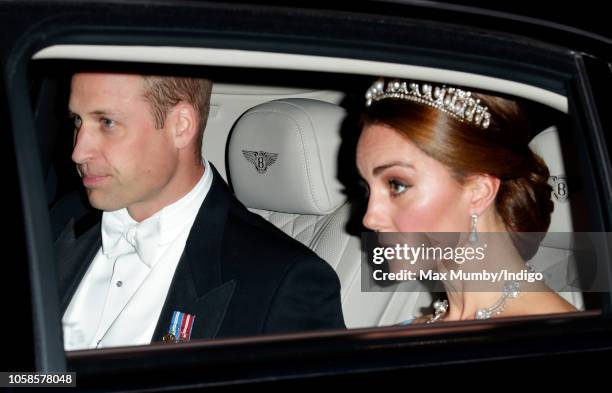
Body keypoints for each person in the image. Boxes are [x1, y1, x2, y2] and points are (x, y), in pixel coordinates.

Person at [56, 72, 345, 350]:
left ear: (180, 126)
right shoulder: (54, 223)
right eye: (77, 121)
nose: (78, 152)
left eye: (107, 122)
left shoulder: (282, 283)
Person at [357, 78, 576, 323]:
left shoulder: (561, 344)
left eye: (397, 185)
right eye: (367, 189)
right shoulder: (407, 331)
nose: (370, 218)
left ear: (478, 192)